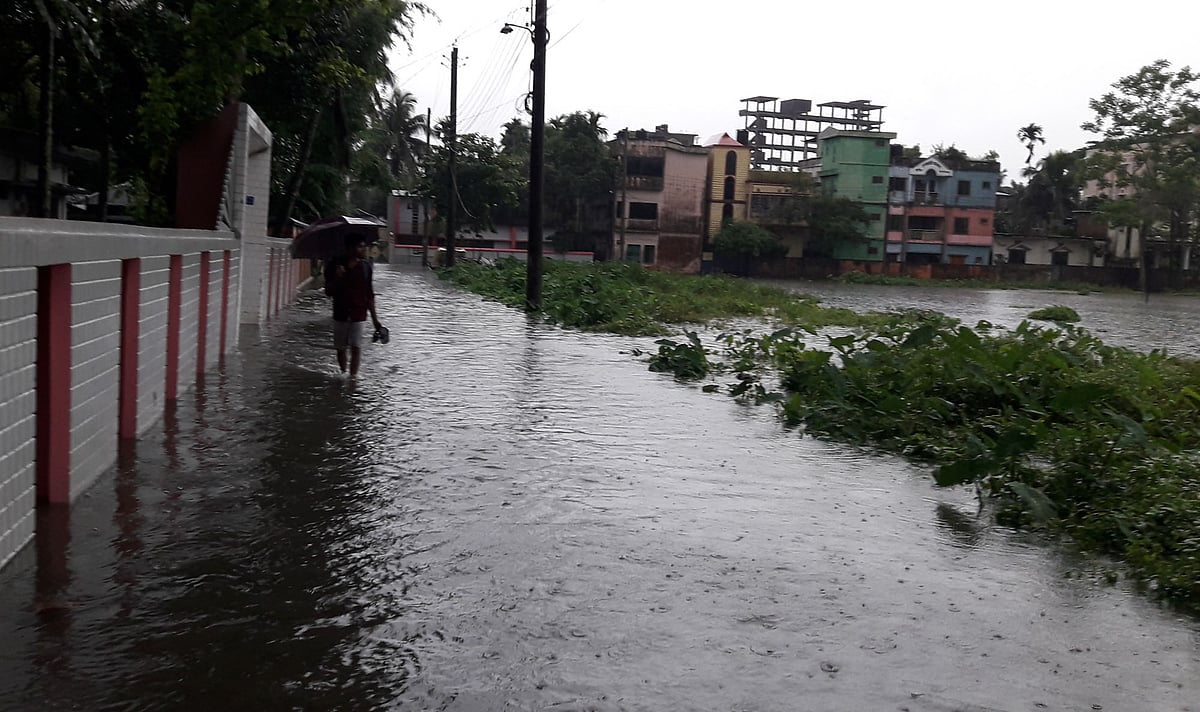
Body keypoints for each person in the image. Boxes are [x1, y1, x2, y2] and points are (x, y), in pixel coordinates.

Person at [324, 234, 383, 376]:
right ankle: (343, 372)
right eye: (360, 246)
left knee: (356, 347)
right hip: (341, 313)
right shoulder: (334, 265)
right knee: (341, 348)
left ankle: (352, 379)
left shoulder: (365, 268)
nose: (364, 250)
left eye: (364, 246)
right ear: (350, 248)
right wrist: (337, 278)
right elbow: (328, 291)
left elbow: (369, 294)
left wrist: (375, 320)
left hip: (359, 313)